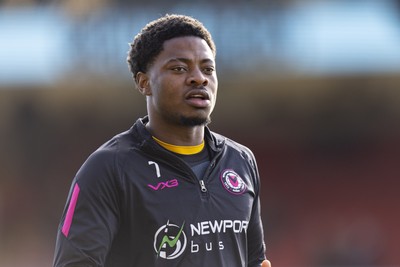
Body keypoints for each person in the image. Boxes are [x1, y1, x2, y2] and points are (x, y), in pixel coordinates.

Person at [53, 14, 271, 267]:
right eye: (179, 68)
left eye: (208, 69)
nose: (199, 78)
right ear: (144, 82)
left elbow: (255, 260)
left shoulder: (241, 160)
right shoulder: (108, 168)